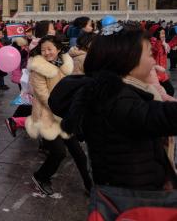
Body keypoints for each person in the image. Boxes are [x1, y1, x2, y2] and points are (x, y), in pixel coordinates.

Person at [53, 25, 177, 191]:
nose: (153, 61)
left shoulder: (122, 90)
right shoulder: (115, 98)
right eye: (149, 55)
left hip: (135, 185)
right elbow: (157, 117)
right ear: (126, 59)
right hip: (130, 199)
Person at [26, 35, 91, 196]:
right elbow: (43, 95)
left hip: (64, 115)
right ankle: (41, 177)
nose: (47, 53)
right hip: (46, 116)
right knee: (59, 152)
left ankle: (90, 186)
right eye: (43, 50)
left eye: (50, 49)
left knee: (78, 153)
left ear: (58, 49)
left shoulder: (67, 64)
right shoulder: (38, 69)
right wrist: (66, 107)